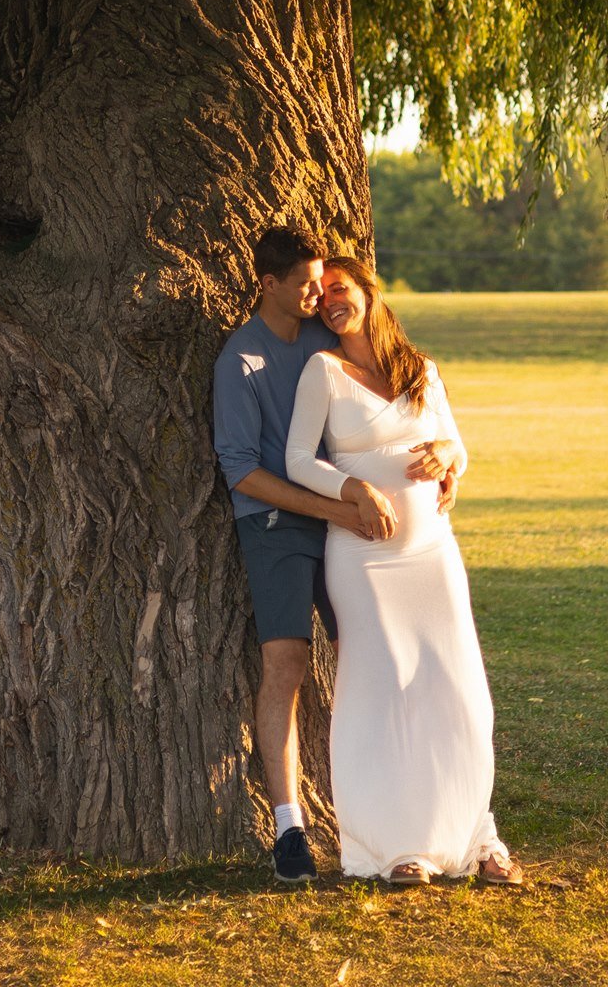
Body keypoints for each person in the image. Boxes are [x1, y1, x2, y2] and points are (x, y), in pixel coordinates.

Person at [285, 255, 524, 886]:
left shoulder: (420, 370)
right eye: (324, 294)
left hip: (433, 554)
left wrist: (450, 455)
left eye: (342, 290)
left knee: (459, 689)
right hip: (362, 558)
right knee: (382, 693)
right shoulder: (323, 370)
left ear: (369, 293)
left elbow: (457, 445)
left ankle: (476, 837)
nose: (332, 301)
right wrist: (356, 489)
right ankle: (396, 847)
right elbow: (298, 461)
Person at [212, 226, 402, 886]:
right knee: (286, 665)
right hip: (274, 526)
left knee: (371, 654)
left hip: (341, 522)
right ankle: (289, 827)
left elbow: (393, 392)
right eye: (304, 283)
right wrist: (333, 510)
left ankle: (379, 809)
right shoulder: (241, 359)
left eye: (321, 280)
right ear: (268, 284)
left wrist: (442, 452)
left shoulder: (328, 342)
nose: (317, 293)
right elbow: (240, 470)